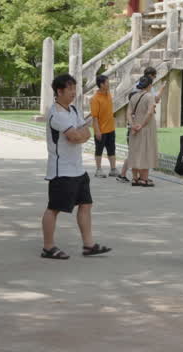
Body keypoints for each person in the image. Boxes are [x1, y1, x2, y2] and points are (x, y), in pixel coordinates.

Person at [40, 73, 111, 260]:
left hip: (78, 169)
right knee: (54, 208)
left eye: (74, 88)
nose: (73, 92)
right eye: (70, 89)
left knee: (86, 205)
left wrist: (80, 133)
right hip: (61, 170)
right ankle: (48, 247)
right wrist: (80, 134)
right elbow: (75, 137)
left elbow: (84, 134)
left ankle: (89, 245)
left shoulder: (73, 110)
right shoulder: (56, 114)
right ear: (59, 91)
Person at [119, 66, 161, 184]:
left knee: (135, 151)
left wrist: (133, 125)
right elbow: (149, 112)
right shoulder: (149, 96)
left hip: (134, 128)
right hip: (146, 127)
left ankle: (135, 178)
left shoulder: (134, 96)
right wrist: (142, 125)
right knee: (146, 152)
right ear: (149, 85)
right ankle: (144, 178)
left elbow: (128, 112)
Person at [90, 74, 117, 178]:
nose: (109, 84)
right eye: (107, 82)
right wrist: (97, 131)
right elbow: (95, 117)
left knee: (112, 149)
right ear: (101, 84)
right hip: (101, 130)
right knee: (99, 150)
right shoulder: (95, 99)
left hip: (111, 129)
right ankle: (98, 169)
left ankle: (113, 169)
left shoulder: (108, 94)